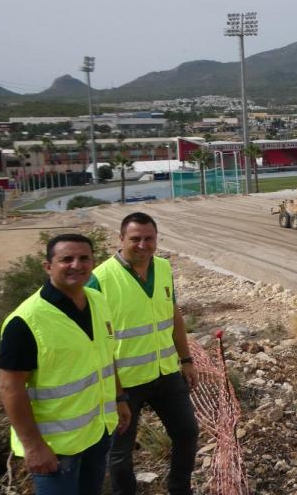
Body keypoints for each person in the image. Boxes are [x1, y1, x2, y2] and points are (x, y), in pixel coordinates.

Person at [0, 233, 131, 494]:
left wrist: (120, 398)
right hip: (56, 449)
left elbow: (104, 355)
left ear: (93, 263)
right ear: (48, 266)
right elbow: (9, 389)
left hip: (97, 433)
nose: (76, 265)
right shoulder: (25, 321)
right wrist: (33, 447)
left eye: (84, 258)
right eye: (66, 259)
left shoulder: (97, 300)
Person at [88, 212, 199, 495]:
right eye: (135, 239)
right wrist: (114, 391)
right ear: (121, 239)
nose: (143, 245)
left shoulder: (162, 268)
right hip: (123, 383)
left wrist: (186, 360)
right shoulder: (99, 279)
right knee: (120, 454)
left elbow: (173, 316)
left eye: (149, 239)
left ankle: (179, 488)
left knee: (187, 433)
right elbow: (92, 341)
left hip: (166, 373)